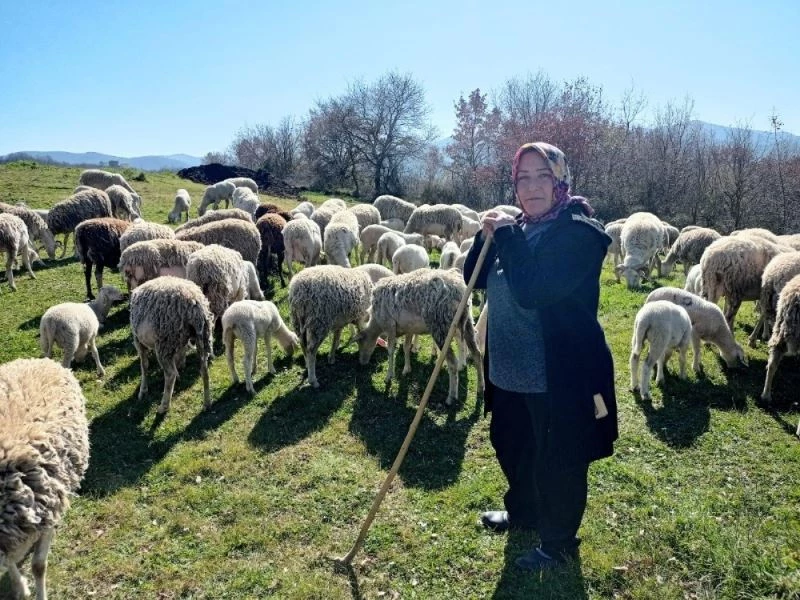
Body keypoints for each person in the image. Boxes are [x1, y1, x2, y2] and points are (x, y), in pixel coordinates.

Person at [463, 142, 618, 572]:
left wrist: (509, 235)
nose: (531, 186)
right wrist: (485, 237)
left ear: (560, 181)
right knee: (512, 444)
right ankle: (525, 514)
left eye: (541, 176)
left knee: (558, 457)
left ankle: (558, 544)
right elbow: (473, 279)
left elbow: (534, 290)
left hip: (558, 370)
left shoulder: (580, 234)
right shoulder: (520, 227)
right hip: (509, 366)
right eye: (522, 178)